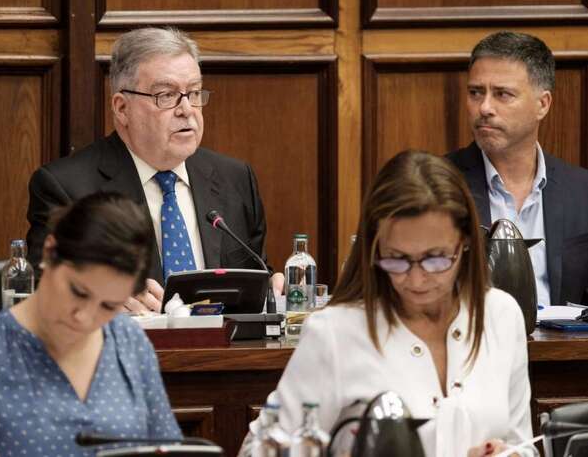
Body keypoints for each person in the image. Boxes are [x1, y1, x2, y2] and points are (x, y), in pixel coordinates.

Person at [247, 150, 534, 457]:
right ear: (373, 248)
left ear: (465, 243)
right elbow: (257, 451)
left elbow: (523, 443)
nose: (417, 279)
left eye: (436, 258)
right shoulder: (335, 332)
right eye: (396, 259)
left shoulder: (501, 315)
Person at [26, 26, 283, 312]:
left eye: (194, 93)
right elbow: (45, 293)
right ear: (122, 108)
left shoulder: (235, 179)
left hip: (223, 353)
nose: (187, 109)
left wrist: (270, 288)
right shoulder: (68, 188)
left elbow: (255, 274)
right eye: (166, 95)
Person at [0, 192, 182, 454]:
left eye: (109, 306)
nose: (85, 317)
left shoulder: (129, 341)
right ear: (50, 252)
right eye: (78, 292)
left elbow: (169, 449)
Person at [447, 31, 588, 306]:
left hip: (567, 348)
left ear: (542, 104)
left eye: (503, 94)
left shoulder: (582, 191)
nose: (485, 107)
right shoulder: (436, 184)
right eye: (476, 92)